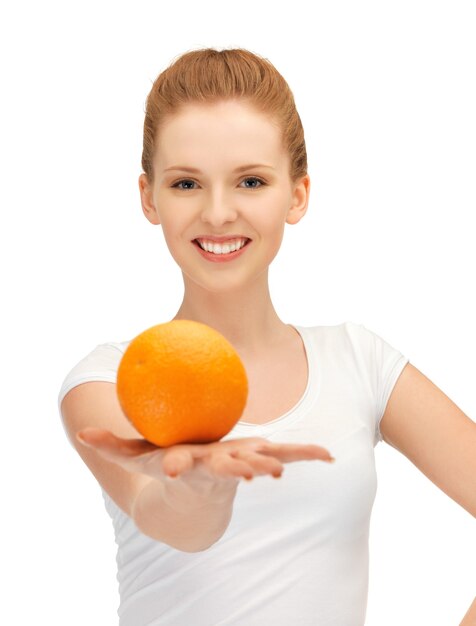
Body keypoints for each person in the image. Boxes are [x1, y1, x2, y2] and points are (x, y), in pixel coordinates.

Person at [57, 47, 476, 626]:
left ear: (297, 194)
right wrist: (198, 488)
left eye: (251, 181)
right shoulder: (107, 381)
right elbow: (171, 522)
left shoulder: (361, 362)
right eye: (186, 184)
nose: (219, 212)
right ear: (148, 197)